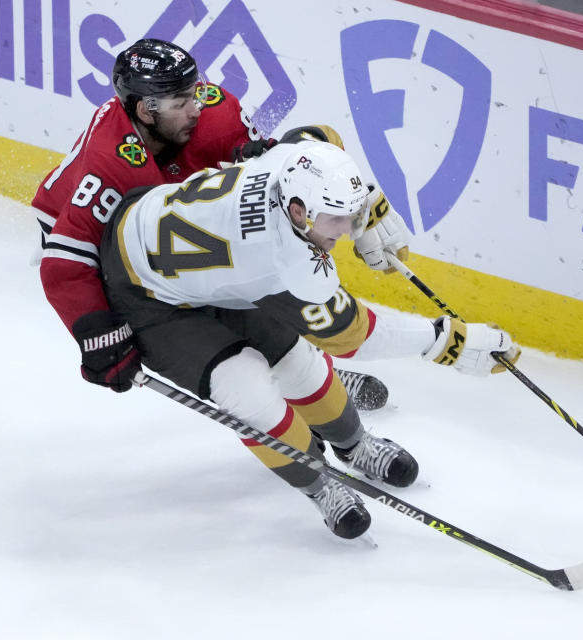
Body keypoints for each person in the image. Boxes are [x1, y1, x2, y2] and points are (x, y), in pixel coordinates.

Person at [95, 139, 520, 538]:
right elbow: (352, 336)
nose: (347, 232)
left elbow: (323, 139)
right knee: (247, 388)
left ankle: (354, 446)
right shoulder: (282, 262)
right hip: (148, 297)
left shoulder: (290, 164)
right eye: (337, 219)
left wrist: (370, 208)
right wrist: (445, 341)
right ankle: (318, 483)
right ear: (299, 212)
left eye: (349, 217)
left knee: (298, 364)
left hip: (205, 266)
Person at [31, 38, 387, 409]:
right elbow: (65, 263)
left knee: (251, 261)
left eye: (194, 91)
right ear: (146, 110)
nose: (196, 107)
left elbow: (267, 169)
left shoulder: (211, 112)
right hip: (84, 237)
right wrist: (97, 330)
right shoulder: (113, 165)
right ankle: (278, 381)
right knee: (198, 303)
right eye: (181, 102)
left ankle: (308, 371)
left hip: (160, 213)